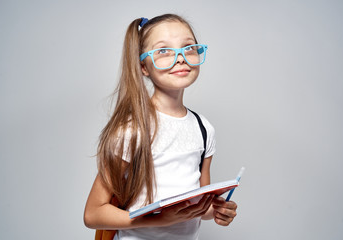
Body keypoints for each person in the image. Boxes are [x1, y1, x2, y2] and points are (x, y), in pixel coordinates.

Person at [84, 13, 237, 240]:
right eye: (163, 51)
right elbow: (93, 213)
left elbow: (200, 205)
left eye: (188, 47)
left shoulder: (204, 130)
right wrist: (158, 219)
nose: (180, 58)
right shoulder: (132, 130)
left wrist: (218, 210)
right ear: (144, 67)